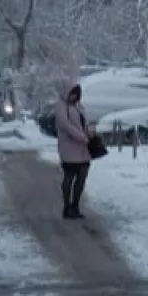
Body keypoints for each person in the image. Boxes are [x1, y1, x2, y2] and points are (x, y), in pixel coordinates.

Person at [54, 83, 94, 219]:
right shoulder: (61, 107)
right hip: (69, 148)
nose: (74, 96)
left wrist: (90, 133)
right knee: (69, 177)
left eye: (76, 94)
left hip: (83, 149)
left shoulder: (79, 107)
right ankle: (67, 206)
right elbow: (65, 126)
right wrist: (82, 137)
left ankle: (75, 205)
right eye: (72, 93)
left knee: (82, 177)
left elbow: (85, 123)